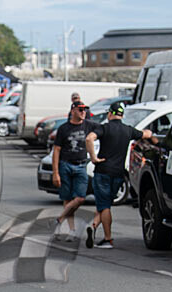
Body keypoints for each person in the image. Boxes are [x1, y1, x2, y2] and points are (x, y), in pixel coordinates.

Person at [85, 101, 156, 249]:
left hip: (102, 171)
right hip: (118, 174)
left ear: (110, 114)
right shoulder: (128, 130)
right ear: (122, 115)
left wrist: (93, 157)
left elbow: (89, 138)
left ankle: (108, 238)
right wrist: (155, 139)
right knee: (106, 205)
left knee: (104, 206)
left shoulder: (104, 128)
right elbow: (146, 134)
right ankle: (93, 226)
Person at [52, 100, 95, 240]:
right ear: (73, 111)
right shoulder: (64, 129)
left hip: (81, 165)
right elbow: (56, 150)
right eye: (80, 110)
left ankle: (59, 219)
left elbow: (104, 130)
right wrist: (56, 172)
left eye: (84, 110)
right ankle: (71, 230)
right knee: (67, 198)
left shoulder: (88, 125)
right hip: (66, 164)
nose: (83, 112)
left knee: (80, 198)